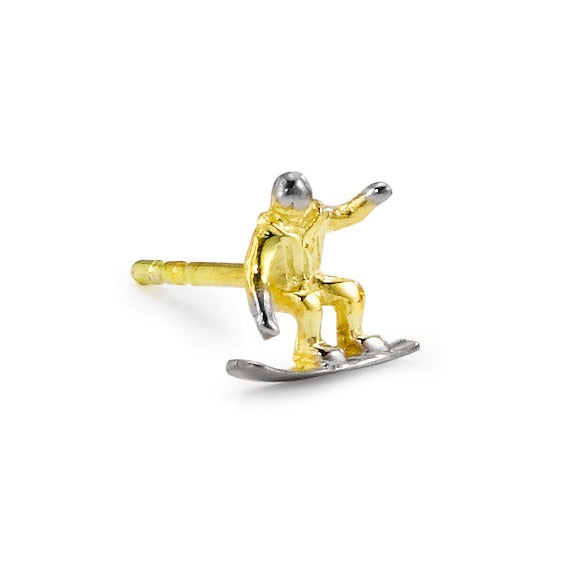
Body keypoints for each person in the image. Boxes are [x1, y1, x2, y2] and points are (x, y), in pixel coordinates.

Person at [245, 171, 392, 370]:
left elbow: (346, 214)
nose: (298, 216)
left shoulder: (318, 216)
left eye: (301, 208)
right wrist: (263, 314)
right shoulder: (270, 230)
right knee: (309, 303)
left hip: (312, 281)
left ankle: (352, 338)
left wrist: (368, 199)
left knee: (350, 291)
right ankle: (308, 349)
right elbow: (255, 272)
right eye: (291, 210)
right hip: (280, 289)